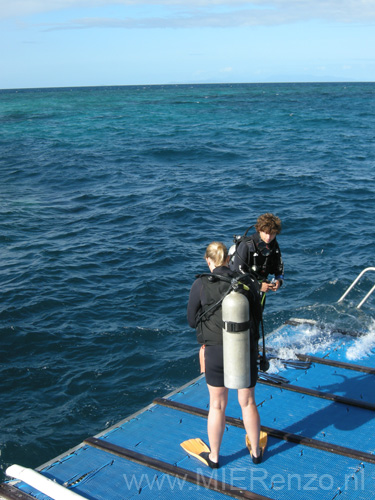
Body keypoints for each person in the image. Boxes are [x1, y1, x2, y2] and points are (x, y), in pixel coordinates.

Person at [186, 242, 266, 468]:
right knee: (248, 402)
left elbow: (192, 321)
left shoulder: (201, 283)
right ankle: (257, 453)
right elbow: (257, 316)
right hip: (243, 349)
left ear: (208, 261)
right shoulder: (246, 281)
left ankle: (214, 458)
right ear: (229, 261)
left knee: (217, 405)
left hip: (215, 352)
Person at [230, 213, 284, 298]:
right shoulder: (246, 245)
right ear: (259, 230)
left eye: (272, 234)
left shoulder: (273, 245)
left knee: (258, 311)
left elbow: (279, 268)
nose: (268, 237)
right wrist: (258, 285)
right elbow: (238, 272)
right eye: (266, 233)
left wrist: (278, 281)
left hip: (260, 289)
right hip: (242, 289)